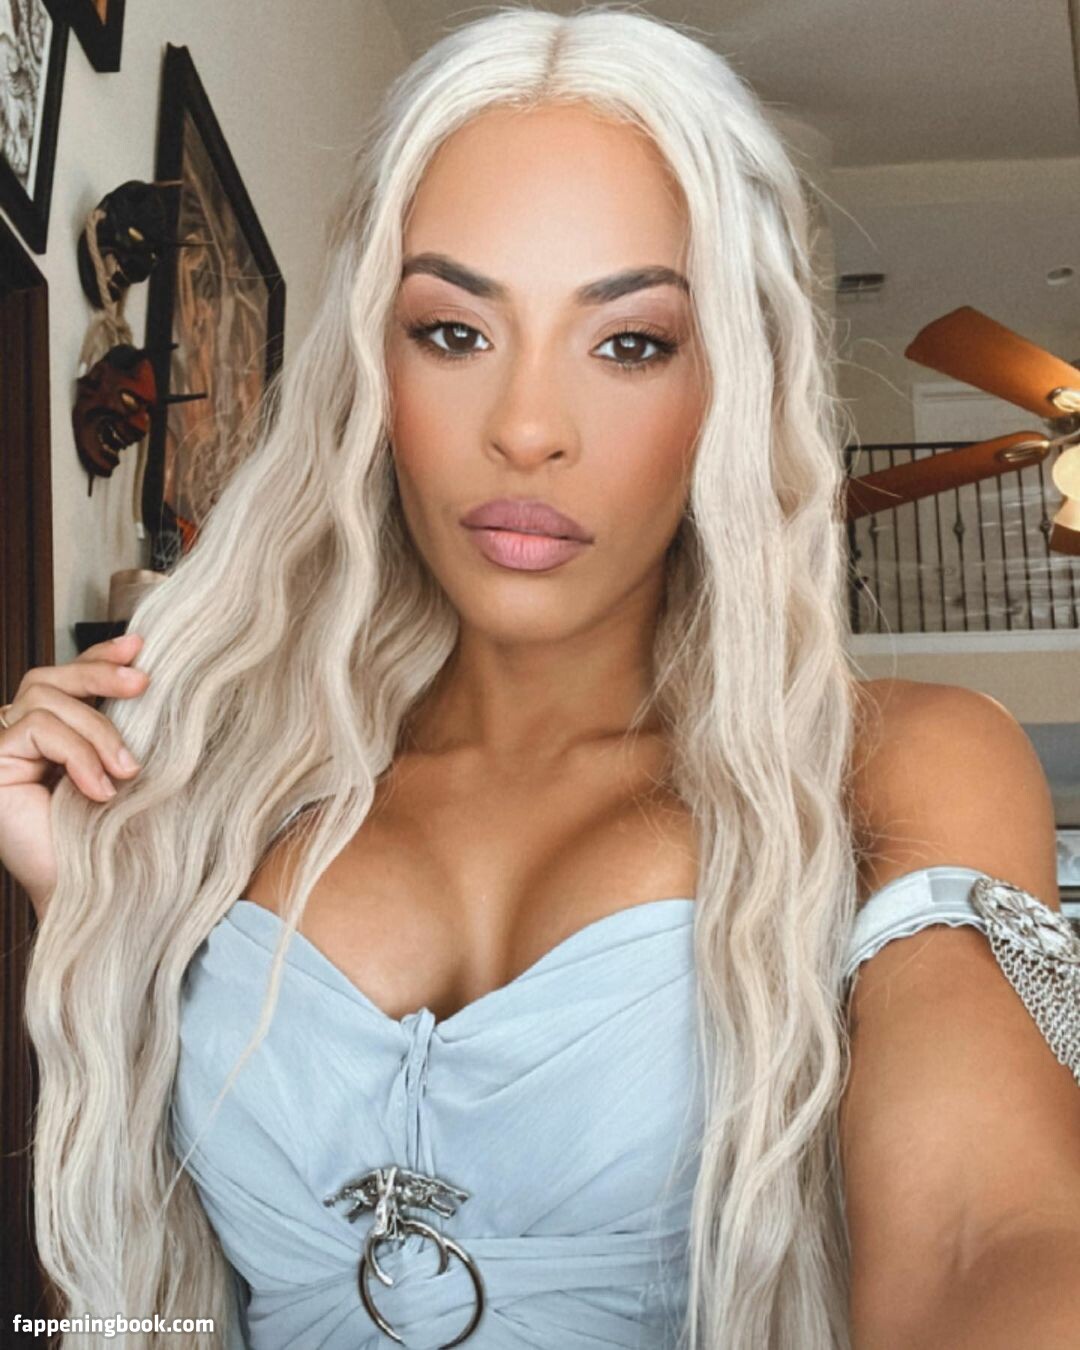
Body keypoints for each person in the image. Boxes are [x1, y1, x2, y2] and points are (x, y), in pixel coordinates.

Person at [2, 6, 1078, 1348]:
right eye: (455, 332)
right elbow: (132, 1285)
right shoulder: (231, 786)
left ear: (731, 386)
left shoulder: (896, 766)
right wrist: (89, 899)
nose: (525, 428)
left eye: (630, 342)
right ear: (371, 364)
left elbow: (985, 1233)